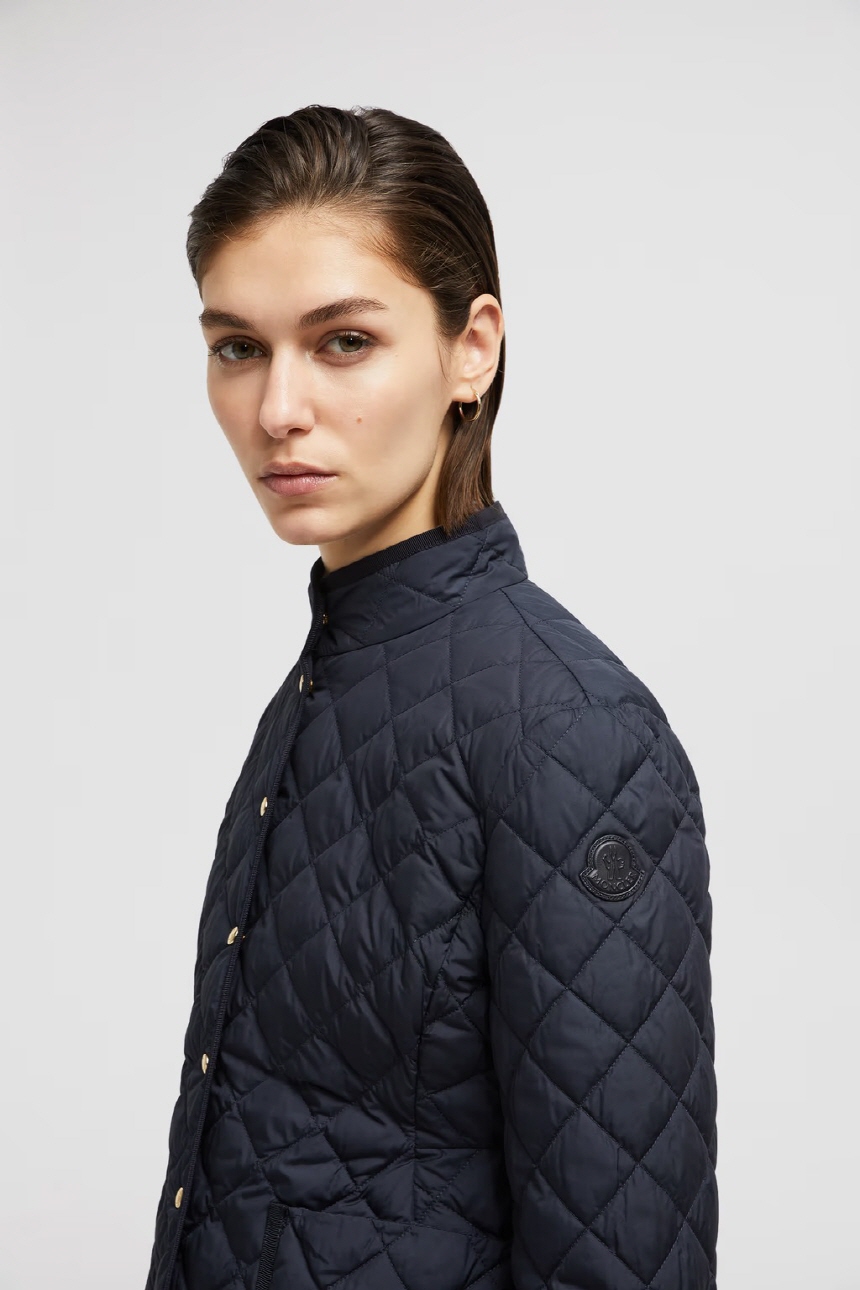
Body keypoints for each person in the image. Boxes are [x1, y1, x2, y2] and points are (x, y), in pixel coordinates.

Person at [144, 104, 718, 1290]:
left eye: (343, 341)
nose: (276, 409)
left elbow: (619, 1253)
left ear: (472, 349)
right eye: (237, 347)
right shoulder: (329, 674)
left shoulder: (570, 733)